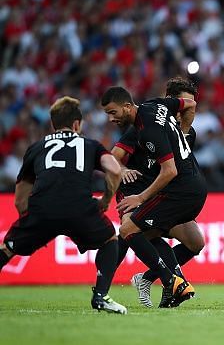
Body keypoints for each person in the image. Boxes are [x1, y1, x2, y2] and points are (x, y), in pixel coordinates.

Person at [0, 96, 127, 314]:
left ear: (53, 124)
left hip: (41, 209)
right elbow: (115, 170)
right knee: (110, 240)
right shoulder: (90, 145)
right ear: (77, 124)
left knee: (7, 249)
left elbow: (20, 198)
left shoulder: (36, 147)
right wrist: (105, 200)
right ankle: (100, 296)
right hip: (80, 207)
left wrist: (30, 223)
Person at [101, 85, 208, 308]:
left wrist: (185, 127)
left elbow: (191, 107)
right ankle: (172, 283)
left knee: (195, 242)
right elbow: (114, 157)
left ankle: (149, 278)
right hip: (137, 192)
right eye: (181, 103)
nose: (184, 112)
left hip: (164, 193)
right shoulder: (141, 128)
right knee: (132, 229)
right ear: (170, 101)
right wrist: (122, 170)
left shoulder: (183, 132)